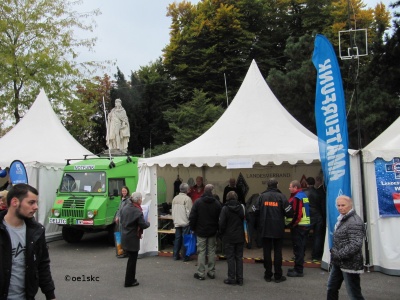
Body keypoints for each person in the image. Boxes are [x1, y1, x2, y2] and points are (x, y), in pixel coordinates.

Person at [0, 184, 56, 299]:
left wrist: (50, 295)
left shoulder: (36, 231)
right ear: (15, 202)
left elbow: (42, 265)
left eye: (36, 203)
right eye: (31, 203)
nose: (36, 207)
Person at [327, 195, 365, 299]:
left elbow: (356, 244)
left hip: (350, 264)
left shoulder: (354, 221)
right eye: (338, 205)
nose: (340, 207)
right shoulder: (343, 219)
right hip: (339, 262)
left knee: (354, 293)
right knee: (331, 288)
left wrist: (338, 254)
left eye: (343, 205)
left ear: (350, 206)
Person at [256, 178, 293, 283]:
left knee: (266, 252)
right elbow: (290, 213)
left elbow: (253, 211)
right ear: (277, 184)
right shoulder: (281, 197)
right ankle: (278, 276)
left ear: (267, 185)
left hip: (265, 228)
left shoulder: (261, 197)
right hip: (278, 229)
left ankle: (268, 275)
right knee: (278, 252)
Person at [189, 184, 221, 280]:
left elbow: (192, 217)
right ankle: (211, 272)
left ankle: (201, 273)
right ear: (212, 191)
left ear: (204, 191)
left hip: (201, 230)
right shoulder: (217, 203)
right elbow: (220, 218)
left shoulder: (198, 202)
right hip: (212, 230)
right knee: (211, 251)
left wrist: (193, 228)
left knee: (201, 251)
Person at [120, 192, 150, 287]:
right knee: (132, 261)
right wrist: (148, 222)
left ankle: (130, 279)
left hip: (125, 235)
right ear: (138, 200)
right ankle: (129, 281)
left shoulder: (125, 207)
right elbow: (143, 225)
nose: (141, 201)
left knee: (130, 260)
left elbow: (121, 220)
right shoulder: (137, 211)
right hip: (132, 237)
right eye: (141, 199)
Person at [219, 191, 245, 286]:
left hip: (229, 236)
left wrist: (221, 233)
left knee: (230, 258)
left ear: (227, 198)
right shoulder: (241, 207)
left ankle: (231, 278)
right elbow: (243, 218)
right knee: (239, 258)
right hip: (239, 236)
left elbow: (221, 224)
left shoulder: (225, 209)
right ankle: (240, 279)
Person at [286, 180, 311, 277]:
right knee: (301, 247)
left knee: (298, 248)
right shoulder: (303, 195)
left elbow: (297, 214)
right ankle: (297, 267)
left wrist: (292, 224)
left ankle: (299, 270)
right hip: (304, 226)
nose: (289, 188)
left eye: (290, 187)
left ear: (295, 187)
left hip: (299, 226)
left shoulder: (297, 197)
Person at [305, 177, 325, 261]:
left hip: (307, 217)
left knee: (303, 236)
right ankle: (315, 256)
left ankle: (300, 254)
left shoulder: (304, 193)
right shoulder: (319, 193)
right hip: (318, 217)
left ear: (306, 183)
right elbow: (322, 206)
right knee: (318, 237)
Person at [171, 183, 193, 261]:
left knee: (177, 238)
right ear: (187, 190)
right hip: (185, 222)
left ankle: (175, 255)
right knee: (185, 239)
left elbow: (172, 210)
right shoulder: (187, 199)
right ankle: (185, 256)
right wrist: (190, 220)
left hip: (177, 221)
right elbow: (189, 212)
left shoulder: (175, 198)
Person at [114, 186, 130, 258]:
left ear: (127, 191)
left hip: (124, 220)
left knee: (124, 236)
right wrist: (117, 217)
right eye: (123, 191)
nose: (124, 192)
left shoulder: (128, 200)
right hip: (120, 220)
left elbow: (126, 210)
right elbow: (119, 209)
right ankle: (121, 251)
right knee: (120, 236)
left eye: (125, 191)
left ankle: (125, 252)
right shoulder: (121, 199)